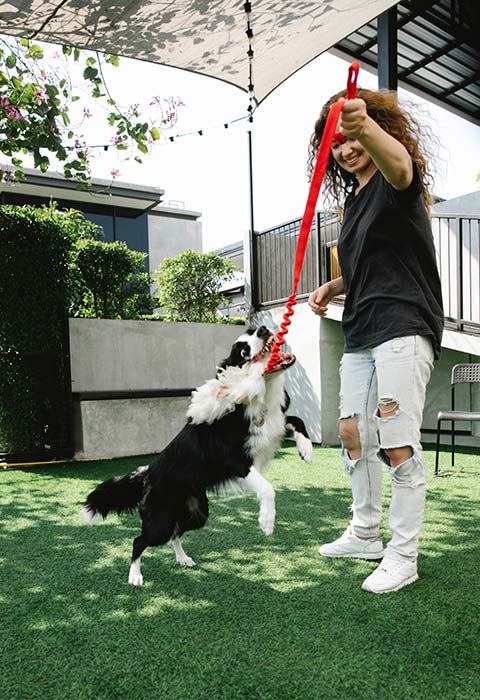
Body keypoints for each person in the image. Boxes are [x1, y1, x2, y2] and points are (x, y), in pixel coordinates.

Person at [307, 88, 444, 594]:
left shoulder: (396, 180)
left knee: (397, 443)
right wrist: (333, 285)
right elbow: (372, 264)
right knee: (351, 432)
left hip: (403, 324)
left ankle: (402, 555)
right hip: (361, 327)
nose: (345, 148)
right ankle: (365, 532)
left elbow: (402, 166)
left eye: (350, 137)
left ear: (375, 128)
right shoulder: (354, 202)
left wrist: (363, 125)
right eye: (334, 143)